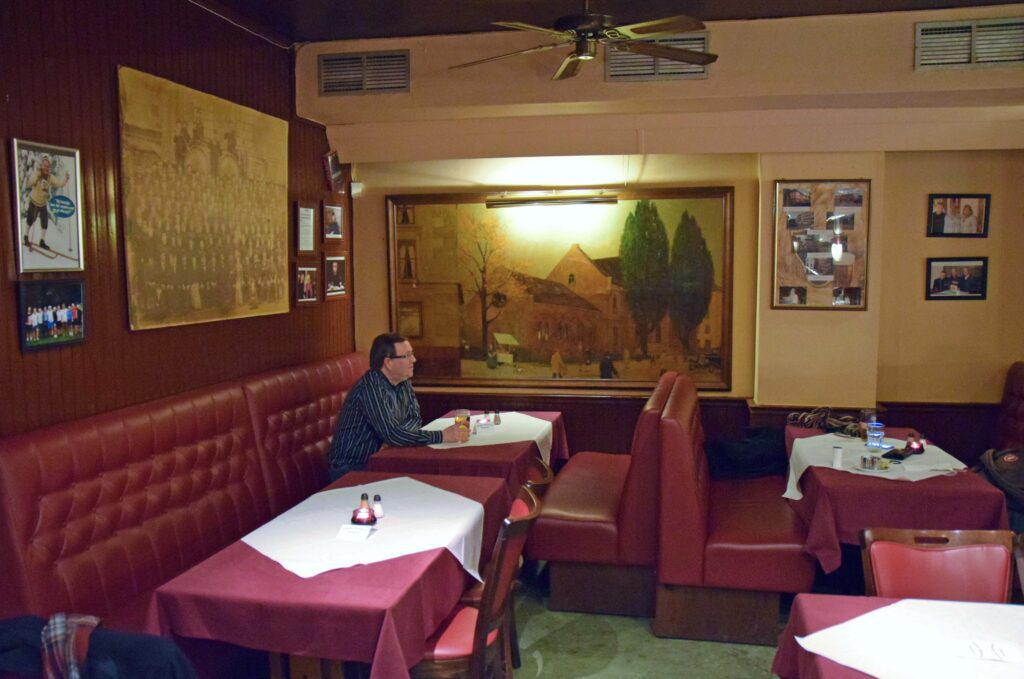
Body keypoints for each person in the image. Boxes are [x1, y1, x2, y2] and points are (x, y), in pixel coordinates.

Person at [327, 333, 468, 480]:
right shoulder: (371, 388)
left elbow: (415, 419)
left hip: (381, 461)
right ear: (388, 362)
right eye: (407, 356)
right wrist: (442, 435)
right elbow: (393, 434)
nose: (414, 359)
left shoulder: (403, 381)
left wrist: (396, 437)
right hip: (350, 469)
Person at [23, 155, 70, 251]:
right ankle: (26, 236)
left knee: (45, 222)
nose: (46, 168)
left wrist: (65, 179)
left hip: (43, 203)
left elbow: (59, 184)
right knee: (31, 219)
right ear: (41, 166)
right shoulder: (37, 174)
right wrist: (36, 177)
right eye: (44, 166)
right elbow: (30, 183)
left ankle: (42, 241)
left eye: (47, 166)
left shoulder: (50, 177)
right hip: (34, 201)